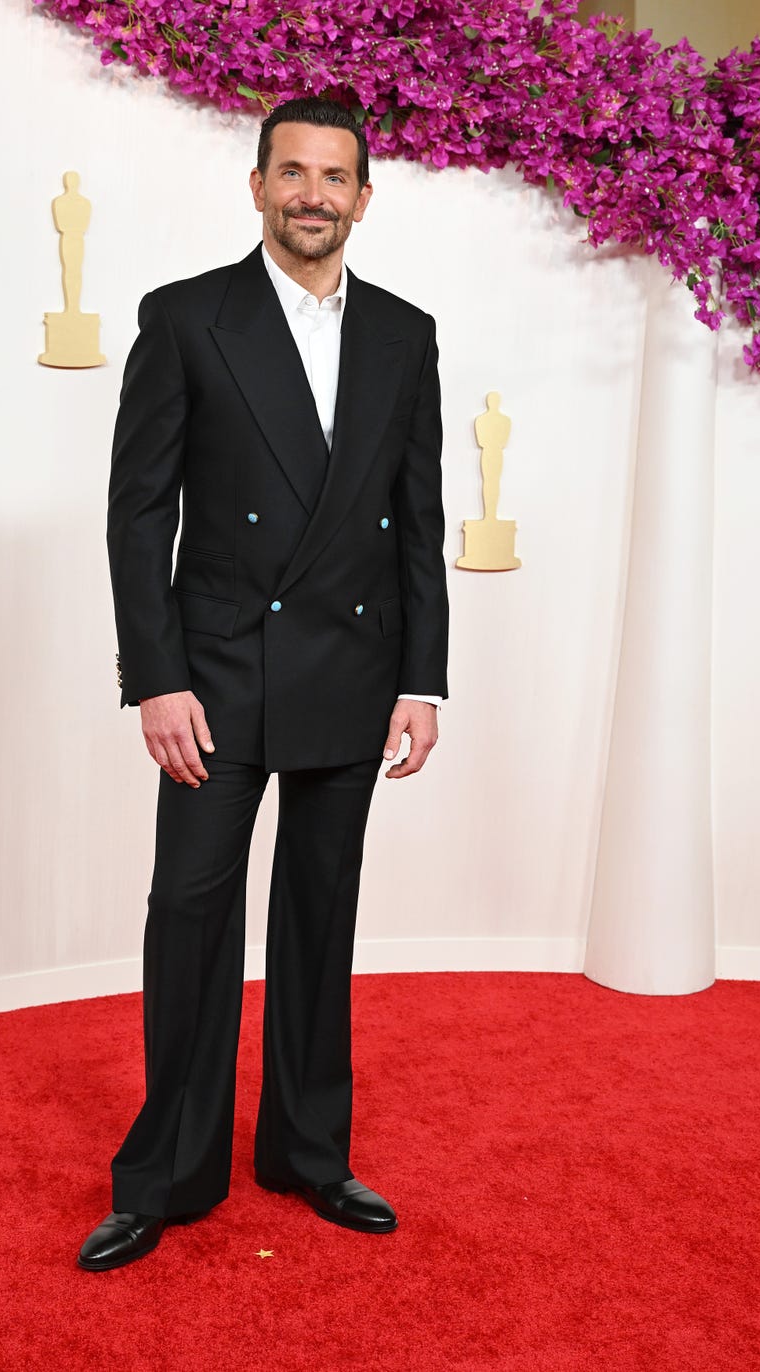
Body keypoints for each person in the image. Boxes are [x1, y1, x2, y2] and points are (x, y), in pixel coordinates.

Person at [78, 96, 449, 1272]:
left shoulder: (404, 332)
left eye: (332, 177)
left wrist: (422, 679)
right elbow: (139, 513)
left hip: (354, 665)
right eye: (291, 172)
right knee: (188, 913)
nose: (311, 195)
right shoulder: (187, 319)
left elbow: (417, 519)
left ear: (362, 198)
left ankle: (307, 1150)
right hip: (217, 676)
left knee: (317, 915)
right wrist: (156, 677)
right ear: (255, 186)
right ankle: (165, 1173)